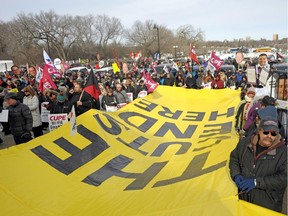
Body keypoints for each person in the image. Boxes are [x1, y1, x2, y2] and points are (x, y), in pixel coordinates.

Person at [229, 106, 287, 212]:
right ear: (259, 130)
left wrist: (256, 183)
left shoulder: (283, 152)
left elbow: (284, 178)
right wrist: (236, 174)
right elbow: (234, 159)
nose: (269, 136)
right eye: (266, 132)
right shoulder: (245, 143)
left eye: (273, 133)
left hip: (267, 207)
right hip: (243, 202)